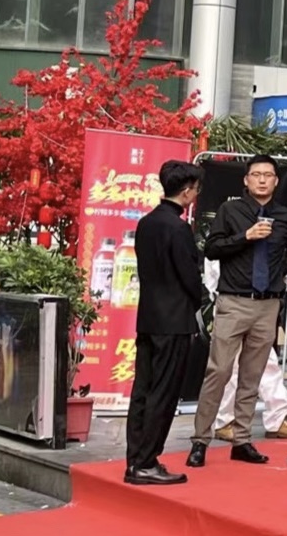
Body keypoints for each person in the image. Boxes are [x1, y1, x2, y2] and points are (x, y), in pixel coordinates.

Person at [188, 155, 287, 468]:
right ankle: (200, 440)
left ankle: (242, 440)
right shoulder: (230, 211)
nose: (262, 180)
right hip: (234, 300)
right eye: (256, 174)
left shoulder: (286, 216)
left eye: (268, 175)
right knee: (219, 371)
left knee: (252, 375)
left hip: (268, 303)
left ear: (276, 181)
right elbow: (212, 248)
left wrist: (283, 267)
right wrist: (246, 236)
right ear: (246, 180)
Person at [124, 160, 205, 486]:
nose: (196, 194)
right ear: (186, 191)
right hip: (174, 320)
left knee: (142, 390)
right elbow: (189, 276)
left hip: (149, 317)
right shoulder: (178, 228)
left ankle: (135, 459)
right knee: (163, 392)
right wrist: (198, 300)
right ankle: (146, 461)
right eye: (195, 189)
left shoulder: (146, 223)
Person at [203, 258, 287, 441]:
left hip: (258, 301)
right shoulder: (226, 243)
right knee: (231, 366)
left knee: (266, 361)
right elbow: (215, 272)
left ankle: (277, 417)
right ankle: (225, 420)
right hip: (232, 300)